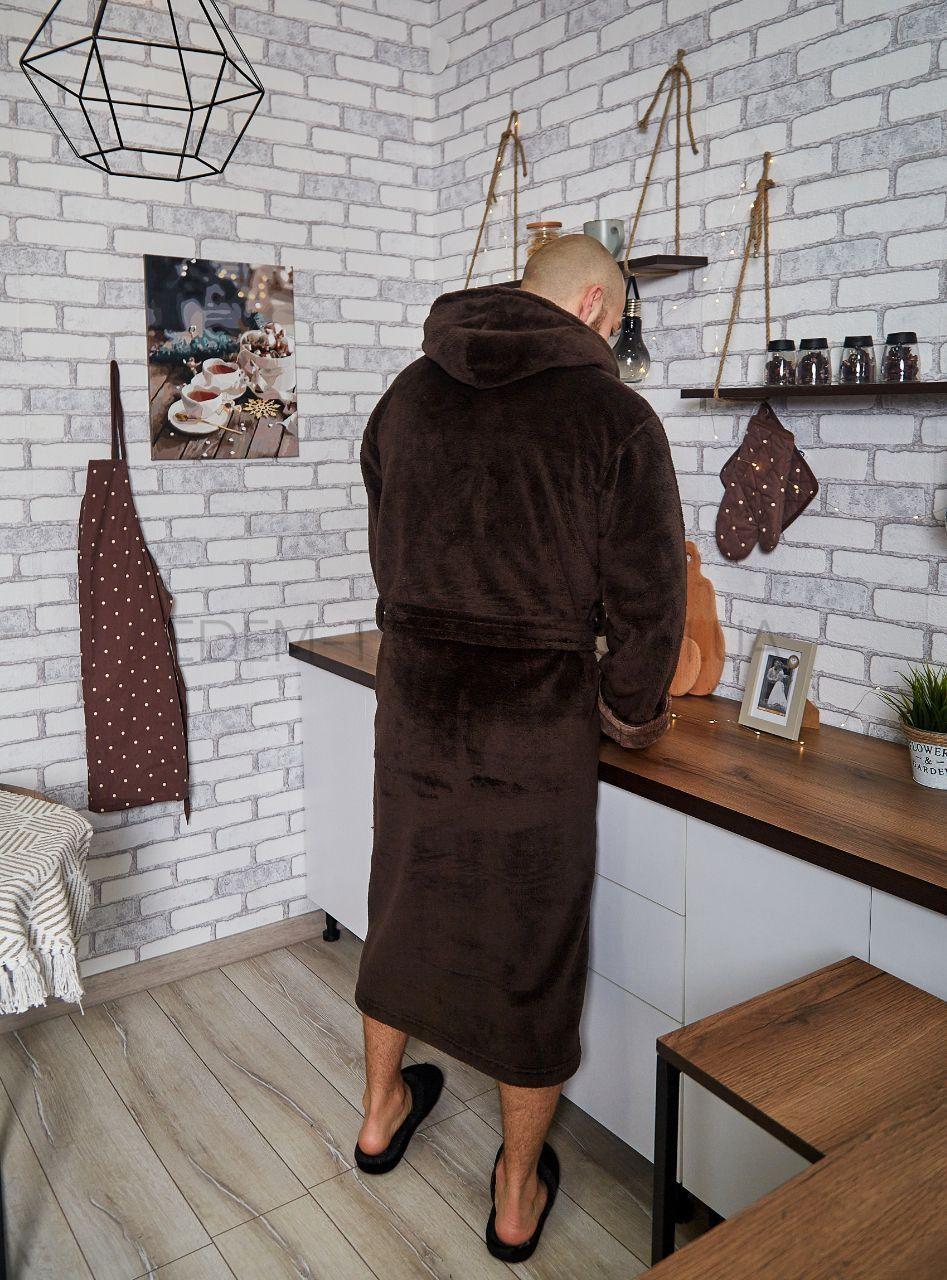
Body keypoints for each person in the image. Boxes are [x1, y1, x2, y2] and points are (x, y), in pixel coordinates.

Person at [351, 234, 687, 1261]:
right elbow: (650, 606)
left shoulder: (406, 395)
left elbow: (388, 545)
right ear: (590, 305)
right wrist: (627, 712)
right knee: (532, 949)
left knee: (400, 906)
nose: (616, 339)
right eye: (617, 320)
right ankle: (511, 1194)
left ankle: (378, 1114)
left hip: (415, 706)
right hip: (533, 725)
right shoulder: (615, 419)